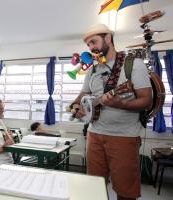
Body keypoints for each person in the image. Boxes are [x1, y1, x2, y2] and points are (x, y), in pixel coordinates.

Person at [72, 24, 152, 200]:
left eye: (93, 42)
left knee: (125, 192)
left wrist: (121, 104)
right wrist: (75, 107)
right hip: (94, 135)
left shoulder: (133, 64)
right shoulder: (92, 70)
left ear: (108, 38)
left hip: (124, 137)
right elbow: (80, 98)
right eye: (88, 45)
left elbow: (147, 100)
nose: (91, 48)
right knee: (94, 189)